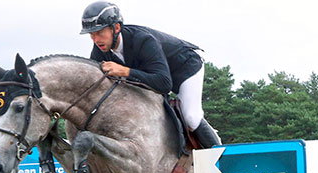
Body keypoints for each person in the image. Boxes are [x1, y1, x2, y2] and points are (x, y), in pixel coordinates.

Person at [80, 1, 221, 148]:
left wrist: (125, 71)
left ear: (116, 28)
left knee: (191, 116)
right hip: (156, 73)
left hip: (185, 67)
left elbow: (164, 84)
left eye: (100, 33)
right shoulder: (99, 51)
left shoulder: (142, 40)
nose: (96, 40)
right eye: (91, 34)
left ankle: (223, 158)